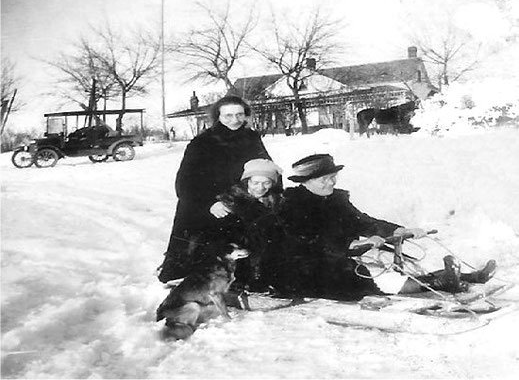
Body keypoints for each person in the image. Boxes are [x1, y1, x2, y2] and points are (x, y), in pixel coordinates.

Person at [267, 153, 496, 299]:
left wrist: (397, 230)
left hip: (341, 253)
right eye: (323, 179)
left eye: (332, 177)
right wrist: (353, 243)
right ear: (305, 183)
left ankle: (466, 277)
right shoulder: (292, 206)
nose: (331, 182)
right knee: (370, 275)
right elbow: (306, 239)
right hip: (306, 265)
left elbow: (363, 221)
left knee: (392, 260)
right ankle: (443, 282)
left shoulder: (335, 198)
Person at [158, 95, 274, 283]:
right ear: (218, 117)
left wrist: (267, 187)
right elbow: (185, 182)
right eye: (228, 115)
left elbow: (266, 166)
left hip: (241, 198)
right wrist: (209, 204)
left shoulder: (251, 138)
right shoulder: (202, 142)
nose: (234, 120)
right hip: (205, 203)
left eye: (239, 114)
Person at [208, 158, 283, 290]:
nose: (260, 188)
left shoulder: (276, 201)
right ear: (247, 181)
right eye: (255, 182)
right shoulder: (230, 203)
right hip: (239, 260)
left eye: (267, 183)